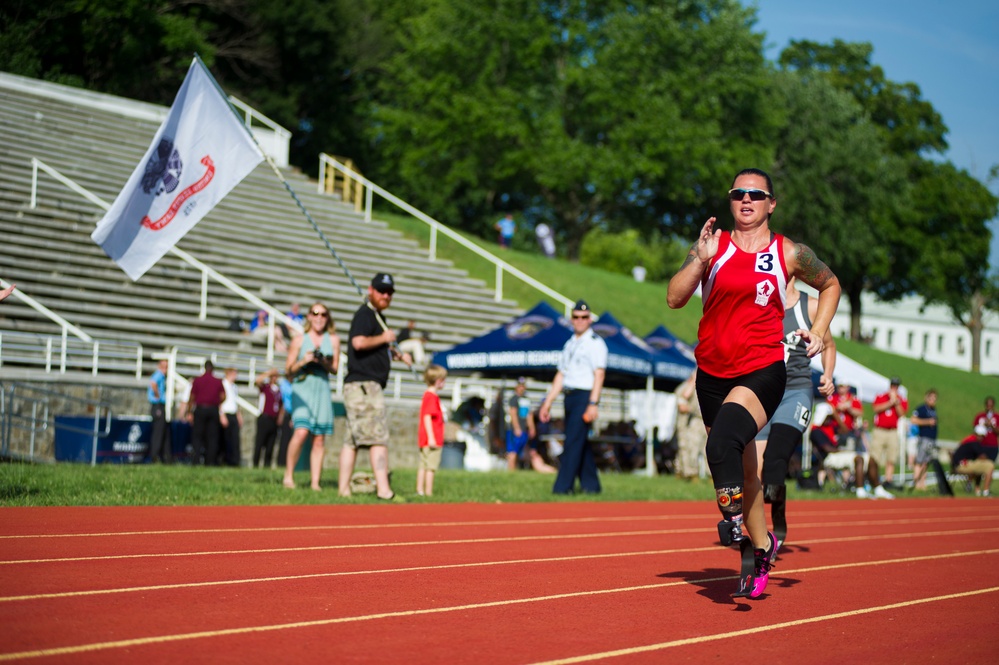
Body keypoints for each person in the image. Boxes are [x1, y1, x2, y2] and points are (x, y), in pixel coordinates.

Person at [666, 168, 840, 599]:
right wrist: (700, 260)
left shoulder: (790, 253)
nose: (746, 200)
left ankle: (731, 519)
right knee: (745, 471)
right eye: (738, 194)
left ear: (771, 203)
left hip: (761, 368)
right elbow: (674, 297)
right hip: (711, 372)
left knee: (721, 445)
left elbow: (832, 285)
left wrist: (819, 330)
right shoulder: (713, 245)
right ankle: (762, 547)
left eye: (756, 195)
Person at [756, 276, 836, 549]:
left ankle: (777, 527)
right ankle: (761, 535)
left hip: (796, 392)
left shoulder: (809, 306)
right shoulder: (761, 304)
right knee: (754, 473)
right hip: (765, 392)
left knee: (775, 457)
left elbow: (830, 344)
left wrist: (827, 375)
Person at [339, 273, 412, 501]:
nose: (386, 296)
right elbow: (358, 343)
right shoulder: (365, 314)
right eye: (382, 291)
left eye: (390, 292)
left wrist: (393, 353)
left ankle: (343, 490)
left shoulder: (377, 318)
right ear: (371, 290)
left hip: (361, 385)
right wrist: (384, 339)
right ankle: (384, 490)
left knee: (351, 440)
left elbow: (371, 347)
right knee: (378, 438)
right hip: (364, 386)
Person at [539, 299, 608, 495]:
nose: (580, 321)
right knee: (579, 441)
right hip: (569, 396)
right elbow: (561, 375)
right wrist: (548, 401)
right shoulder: (570, 343)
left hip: (584, 396)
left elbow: (599, 374)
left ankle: (562, 487)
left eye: (584, 317)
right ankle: (591, 486)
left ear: (590, 319)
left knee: (572, 441)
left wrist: (593, 403)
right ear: (571, 319)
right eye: (576, 317)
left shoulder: (595, 343)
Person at [282, 302, 340, 490]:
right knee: (301, 432)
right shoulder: (299, 340)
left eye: (324, 314)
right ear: (309, 316)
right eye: (315, 313)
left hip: (321, 386)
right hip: (302, 386)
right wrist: (303, 361)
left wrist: (323, 361)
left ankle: (315, 482)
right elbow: (288, 372)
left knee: (319, 438)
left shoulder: (333, 340)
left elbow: (335, 369)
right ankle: (288, 476)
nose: (319, 317)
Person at [871, 377, 907, 494]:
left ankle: (888, 480)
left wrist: (896, 402)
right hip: (880, 430)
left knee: (891, 457)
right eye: (893, 385)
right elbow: (876, 408)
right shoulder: (881, 396)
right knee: (876, 456)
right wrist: (890, 402)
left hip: (892, 431)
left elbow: (902, 414)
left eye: (896, 386)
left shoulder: (901, 399)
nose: (894, 388)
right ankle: (874, 479)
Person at [187, 360, 225, 465]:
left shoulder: (198, 380)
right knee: (212, 437)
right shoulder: (217, 381)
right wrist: (217, 402)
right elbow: (223, 396)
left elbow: (192, 397)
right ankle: (210, 461)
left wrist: (189, 411)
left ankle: (196, 460)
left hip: (200, 409)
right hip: (213, 410)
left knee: (197, 436)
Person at [417, 364, 447, 497]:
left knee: (423, 465)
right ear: (438, 380)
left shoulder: (427, 396)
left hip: (425, 438)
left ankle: (420, 490)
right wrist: (431, 437)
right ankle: (427, 492)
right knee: (431, 466)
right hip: (432, 438)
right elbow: (427, 417)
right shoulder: (432, 397)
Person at [673, 370, 704, 480]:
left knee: (701, 448)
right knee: (686, 448)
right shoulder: (684, 388)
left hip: (699, 422)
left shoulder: (701, 388)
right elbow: (683, 401)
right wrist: (693, 382)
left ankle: (691, 473)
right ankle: (686, 473)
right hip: (685, 424)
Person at [253, 368, 284, 468]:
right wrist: (268, 373)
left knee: (270, 444)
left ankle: (267, 465)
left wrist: (280, 417)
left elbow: (281, 405)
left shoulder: (278, 391)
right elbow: (257, 381)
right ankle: (255, 464)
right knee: (260, 442)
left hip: (273, 420)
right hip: (264, 418)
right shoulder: (265, 387)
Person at [910, 389, 939, 490]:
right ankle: (916, 482)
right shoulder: (922, 409)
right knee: (919, 460)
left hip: (931, 439)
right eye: (930, 398)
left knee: (926, 462)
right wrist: (927, 422)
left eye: (934, 398)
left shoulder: (933, 410)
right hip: (924, 438)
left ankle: (923, 483)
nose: (932, 400)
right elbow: (913, 420)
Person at [952, 429, 996, 496]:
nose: (981, 438)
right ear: (976, 434)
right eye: (980, 436)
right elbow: (982, 456)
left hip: (959, 465)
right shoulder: (974, 442)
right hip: (962, 466)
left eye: (982, 436)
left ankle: (976, 488)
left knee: (982, 466)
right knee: (989, 465)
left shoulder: (968, 440)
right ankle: (986, 491)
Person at [506, 377, 536, 470]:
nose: (521, 388)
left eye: (523, 386)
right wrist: (516, 427)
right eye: (520, 386)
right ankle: (511, 472)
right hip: (515, 429)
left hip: (524, 429)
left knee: (521, 451)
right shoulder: (514, 399)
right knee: (512, 452)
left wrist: (532, 427)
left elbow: (529, 415)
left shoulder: (527, 399)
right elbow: (513, 414)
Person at [147, 359, 171, 463]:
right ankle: (155, 456)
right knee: (158, 432)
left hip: (159, 405)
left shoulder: (161, 376)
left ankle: (164, 456)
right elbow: (153, 384)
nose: (165, 369)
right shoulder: (158, 375)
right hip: (158, 405)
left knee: (163, 432)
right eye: (163, 367)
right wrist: (158, 395)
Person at [219, 367, 243, 466]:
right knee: (225, 439)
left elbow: (235, 402)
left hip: (233, 414)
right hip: (225, 413)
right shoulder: (222, 384)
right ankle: (224, 460)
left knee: (235, 439)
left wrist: (239, 415)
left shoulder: (234, 387)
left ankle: (234, 461)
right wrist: (222, 415)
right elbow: (220, 401)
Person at [972, 396, 998, 461]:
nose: (989, 407)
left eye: (991, 406)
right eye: (988, 405)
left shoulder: (997, 417)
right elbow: (974, 431)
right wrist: (983, 425)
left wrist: (991, 425)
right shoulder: (980, 416)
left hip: (992, 445)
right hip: (980, 445)